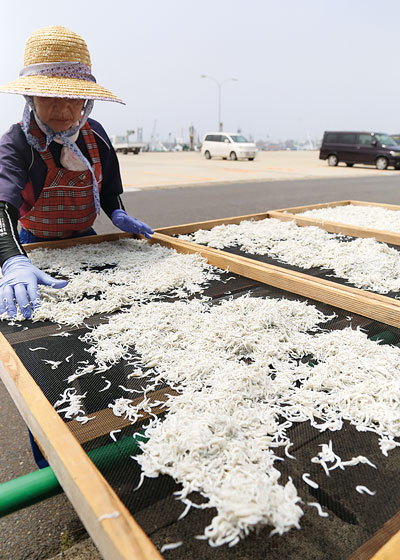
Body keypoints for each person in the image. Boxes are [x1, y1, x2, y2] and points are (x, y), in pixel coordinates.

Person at [0, 25, 153, 320]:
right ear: (30, 98)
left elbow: (108, 190)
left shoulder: (96, 136)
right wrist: (14, 260)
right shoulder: (16, 143)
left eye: (72, 97)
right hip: (34, 242)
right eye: (49, 97)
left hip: (85, 237)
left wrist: (118, 214)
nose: (62, 109)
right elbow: (1, 207)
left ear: (87, 101)